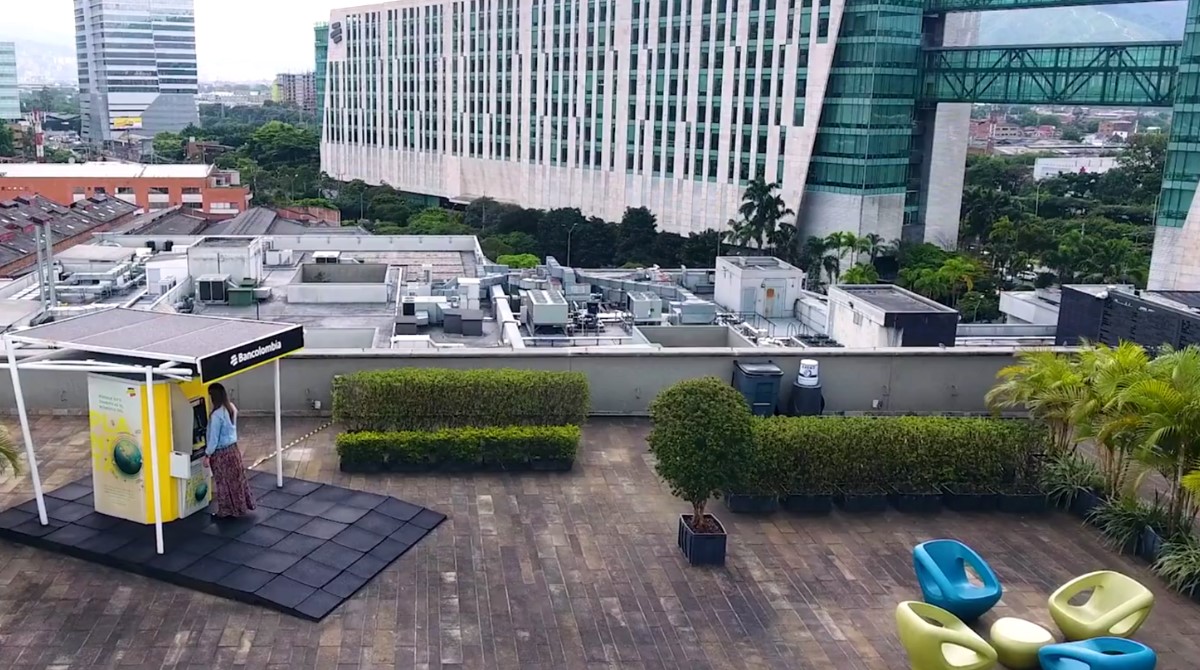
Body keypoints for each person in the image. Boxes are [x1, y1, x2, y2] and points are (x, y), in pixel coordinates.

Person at [203, 383, 255, 518]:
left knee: (223, 483)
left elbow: (214, 439)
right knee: (237, 480)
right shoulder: (231, 408)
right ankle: (240, 506)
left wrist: (207, 455)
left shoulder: (216, 416)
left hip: (221, 454)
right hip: (233, 450)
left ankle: (226, 510)